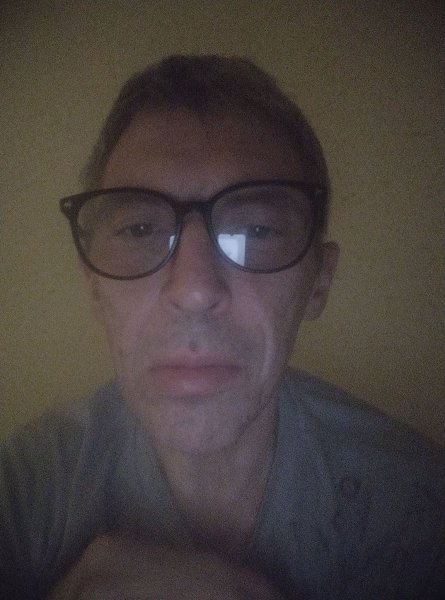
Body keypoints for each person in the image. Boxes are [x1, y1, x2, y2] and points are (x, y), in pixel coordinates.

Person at [1, 55, 444, 600]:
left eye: (254, 230)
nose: (194, 289)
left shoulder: (423, 513)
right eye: (140, 229)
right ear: (93, 285)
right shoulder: (20, 493)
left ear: (319, 283)